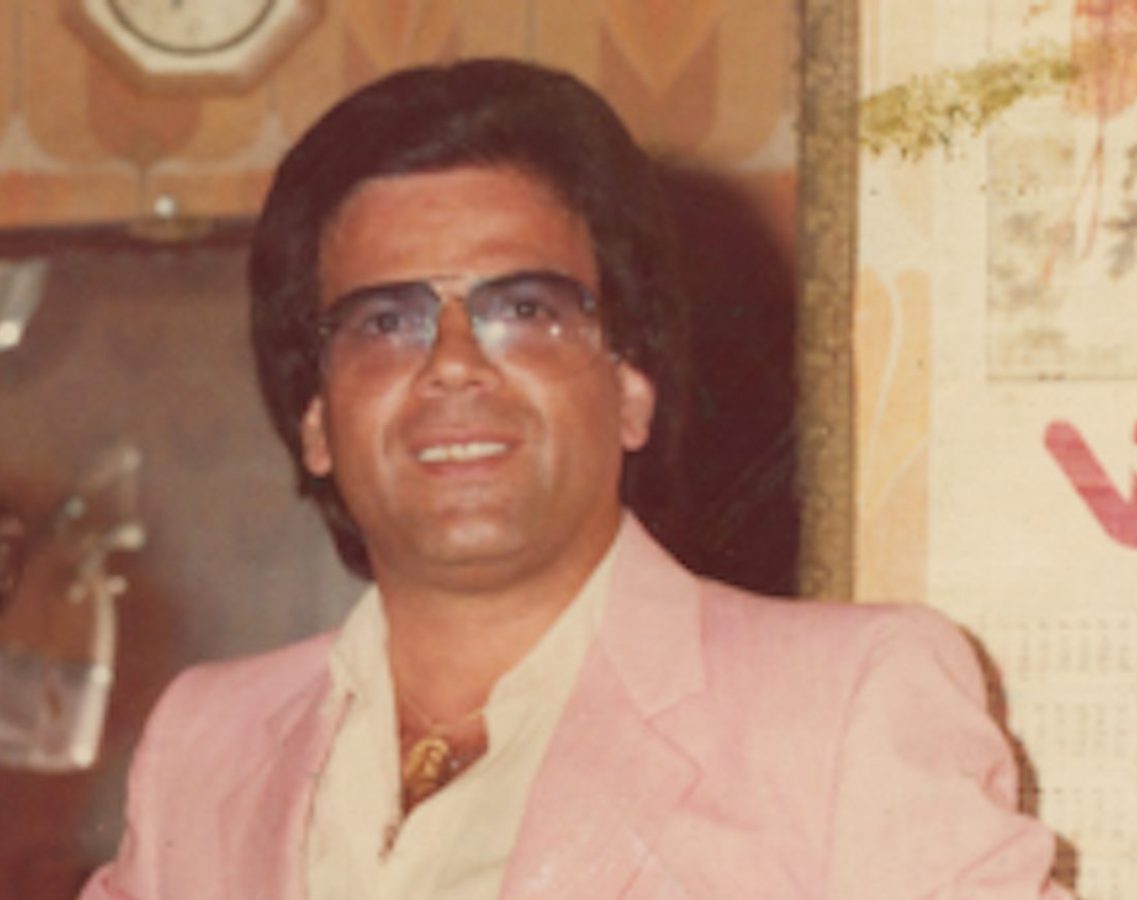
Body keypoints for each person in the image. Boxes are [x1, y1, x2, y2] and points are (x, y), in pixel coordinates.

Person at [81, 59, 1072, 898]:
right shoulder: (205, 744)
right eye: (387, 322)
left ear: (632, 389)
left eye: (525, 311)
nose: (454, 365)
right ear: (316, 423)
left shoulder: (844, 706)